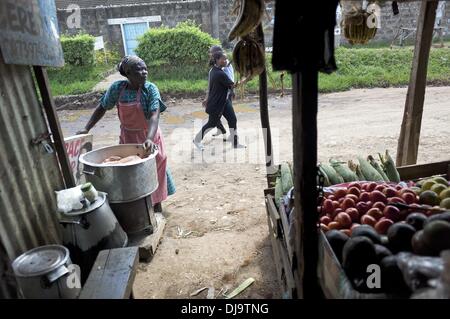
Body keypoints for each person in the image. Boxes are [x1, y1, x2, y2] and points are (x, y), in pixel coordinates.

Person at [76, 56, 175, 212]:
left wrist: (149, 139)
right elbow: (102, 107)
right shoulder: (117, 88)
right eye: (138, 70)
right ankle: (140, 205)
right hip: (128, 137)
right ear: (128, 73)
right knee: (131, 171)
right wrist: (87, 128)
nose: (144, 72)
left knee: (157, 164)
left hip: (149, 134)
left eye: (145, 68)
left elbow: (154, 115)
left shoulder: (150, 89)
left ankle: (156, 204)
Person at [194, 51, 245, 150]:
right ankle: (196, 140)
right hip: (216, 103)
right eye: (223, 59)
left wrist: (207, 98)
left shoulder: (215, 70)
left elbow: (226, 87)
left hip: (224, 101)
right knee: (212, 124)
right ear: (217, 60)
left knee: (232, 120)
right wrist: (246, 79)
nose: (226, 61)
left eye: (226, 59)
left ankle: (235, 143)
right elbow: (233, 85)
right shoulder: (219, 74)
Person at [203, 46, 236, 141]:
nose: (210, 55)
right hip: (218, 96)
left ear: (217, 54)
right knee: (215, 117)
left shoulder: (225, 65)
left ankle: (230, 135)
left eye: (211, 53)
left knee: (228, 117)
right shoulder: (214, 69)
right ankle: (221, 130)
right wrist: (207, 98)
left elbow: (231, 81)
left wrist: (232, 91)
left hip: (224, 96)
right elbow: (210, 86)